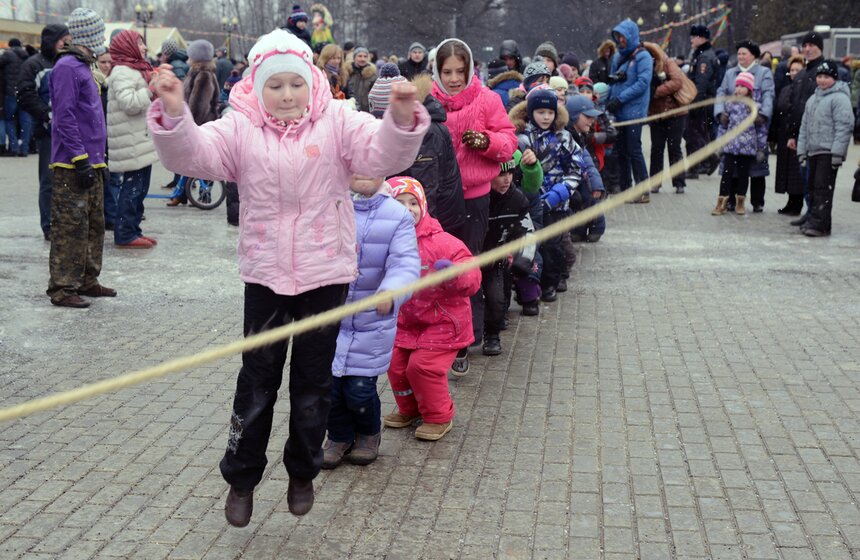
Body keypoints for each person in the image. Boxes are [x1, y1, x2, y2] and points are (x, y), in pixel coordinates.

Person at [147, 28, 429, 523]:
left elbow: (380, 155)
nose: (286, 95)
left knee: (313, 383)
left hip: (326, 275)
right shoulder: (240, 128)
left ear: (311, 82)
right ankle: (242, 478)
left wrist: (400, 120)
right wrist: (174, 113)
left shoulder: (338, 120)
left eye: (295, 84)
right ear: (257, 86)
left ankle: (303, 470)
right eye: (274, 86)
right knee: (256, 382)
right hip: (266, 277)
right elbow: (191, 155)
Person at [430, 38, 518, 375]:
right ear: (437, 71)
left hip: (474, 196)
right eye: (447, 71)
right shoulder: (429, 101)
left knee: (467, 267)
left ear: (470, 71)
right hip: (437, 199)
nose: (453, 78)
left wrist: (487, 141)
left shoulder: (487, 99)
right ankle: (439, 333)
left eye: (459, 71)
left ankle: (465, 338)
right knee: (437, 267)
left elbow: (508, 140)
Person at [322, 176, 420, 469]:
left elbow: (405, 263)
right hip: (330, 318)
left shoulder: (396, 214)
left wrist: (392, 292)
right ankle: (338, 436)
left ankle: (368, 433)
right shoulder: (328, 206)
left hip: (372, 321)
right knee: (329, 387)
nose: (363, 175)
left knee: (359, 389)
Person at [384, 177, 481, 441]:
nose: (407, 209)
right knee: (395, 365)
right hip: (406, 322)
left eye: (413, 203)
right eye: (399, 203)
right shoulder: (385, 242)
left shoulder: (444, 243)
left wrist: (455, 275)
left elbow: (472, 277)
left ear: (423, 205)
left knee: (422, 367)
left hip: (443, 322)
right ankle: (410, 408)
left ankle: (438, 416)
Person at [47, 8, 114, 308]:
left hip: (93, 161)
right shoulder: (67, 67)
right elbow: (65, 117)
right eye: (98, 34)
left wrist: (100, 160)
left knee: (93, 224)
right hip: (72, 163)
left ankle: (87, 278)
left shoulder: (85, 66)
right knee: (70, 226)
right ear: (89, 35)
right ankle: (62, 287)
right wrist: (80, 158)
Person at [511, 86, 586, 299]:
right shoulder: (521, 137)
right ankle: (527, 284)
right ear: (531, 112)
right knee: (530, 245)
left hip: (557, 202)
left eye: (550, 113)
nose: (546, 117)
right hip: (528, 201)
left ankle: (550, 283)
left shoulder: (563, 137)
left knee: (553, 245)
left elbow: (577, 168)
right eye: (541, 112)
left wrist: (560, 192)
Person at [390, 73, 465, 236]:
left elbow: (426, 187)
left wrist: (424, 230)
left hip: (436, 219)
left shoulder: (426, 131)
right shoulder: (419, 125)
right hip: (437, 213)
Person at [482, 150, 541, 356]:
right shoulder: (475, 198)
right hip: (471, 257)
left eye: (510, 173)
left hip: (498, 259)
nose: (506, 179)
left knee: (498, 299)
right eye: (500, 174)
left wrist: (523, 260)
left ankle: (492, 335)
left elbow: (529, 232)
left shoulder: (517, 199)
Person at [17, 24, 71, 239]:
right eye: (62, 39)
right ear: (51, 40)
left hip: (69, 130)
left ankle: (66, 220)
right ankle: (49, 225)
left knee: (68, 178)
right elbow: (25, 93)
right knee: (49, 179)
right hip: (47, 131)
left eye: (68, 38)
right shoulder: (34, 64)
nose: (65, 43)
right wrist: (47, 115)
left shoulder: (67, 61)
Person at [107, 30, 159, 248]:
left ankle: (133, 229)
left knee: (140, 189)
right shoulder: (122, 72)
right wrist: (149, 90)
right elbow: (129, 103)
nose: (145, 47)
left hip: (138, 139)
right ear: (127, 46)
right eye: (140, 43)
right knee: (132, 189)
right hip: (130, 141)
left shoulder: (134, 69)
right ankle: (126, 233)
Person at [714, 40, 775, 213]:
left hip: (753, 128)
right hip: (733, 127)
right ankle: (731, 200)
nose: (741, 57)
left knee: (756, 167)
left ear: (753, 56)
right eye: (739, 54)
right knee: (731, 168)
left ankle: (757, 201)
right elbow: (721, 93)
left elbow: (768, 95)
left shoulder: (763, 73)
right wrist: (721, 113)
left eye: (744, 54)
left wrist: (762, 115)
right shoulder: (731, 73)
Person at [795, 60, 854, 237]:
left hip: (828, 152)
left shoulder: (840, 98)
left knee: (823, 188)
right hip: (813, 150)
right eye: (819, 76)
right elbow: (804, 126)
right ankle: (815, 219)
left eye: (826, 77)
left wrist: (838, 152)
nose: (821, 80)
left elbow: (844, 126)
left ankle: (820, 224)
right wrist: (802, 150)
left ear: (834, 78)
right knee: (812, 187)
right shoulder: (813, 99)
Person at [166, 40, 220, 207]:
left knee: (198, 161)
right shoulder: (195, 71)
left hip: (200, 123)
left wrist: (190, 123)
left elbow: (199, 104)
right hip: (196, 121)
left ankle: (203, 196)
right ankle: (184, 194)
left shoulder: (203, 74)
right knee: (191, 161)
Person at [606, 19, 653, 204]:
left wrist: (620, 98)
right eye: (618, 36)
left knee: (634, 150)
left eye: (623, 36)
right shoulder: (618, 57)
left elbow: (642, 83)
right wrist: (608, 100)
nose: (620, 40)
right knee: (621, 151)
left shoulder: (643, 57)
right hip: (618, 112)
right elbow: (611, 81)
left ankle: (643, 189)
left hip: (633, 112)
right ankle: (626, 187)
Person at [711, 72, 767, 216]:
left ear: (749, 89)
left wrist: (761, 147)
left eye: (743, 86)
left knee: (743, 176)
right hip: (730, 146)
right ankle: (721, 202)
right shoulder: (730, 104)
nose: (739, 89)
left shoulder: (754, 107)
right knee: (726, 174)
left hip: (747, 148)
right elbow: (723, 127)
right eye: (737, 86)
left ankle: (740, 203)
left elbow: (761, 130)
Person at [786, 32, 827, 226]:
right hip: (801, 133)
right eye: (805, 45)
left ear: (820, 48)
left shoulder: (824, 71)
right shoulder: (802, 74)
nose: (808, 49)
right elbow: (794, 105)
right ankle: (809, 211)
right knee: (805, 177)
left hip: (818, 135)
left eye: (812, 45)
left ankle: (816, 215)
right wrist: (792, 134)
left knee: (816, 180)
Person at [644, 40, 689, 194]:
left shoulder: (668, 63)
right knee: (656, 149)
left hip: (674, 112)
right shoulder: (643, 67)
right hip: (656, 114)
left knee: (674, 147)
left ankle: (679, 182)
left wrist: (655, 92)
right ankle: (656, 182)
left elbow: (677, 82)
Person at [684, 25, 720, 179]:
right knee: (698, 134)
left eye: (694, 36)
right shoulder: (703, 54)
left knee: (694, 135)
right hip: (704, 100)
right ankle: (705, 162)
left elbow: (701, 84)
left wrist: (695, 103)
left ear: (702, 38)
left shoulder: (704, 57)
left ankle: (701, 164)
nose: (692, 39)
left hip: (701, 101)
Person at [773, 55, 806, 215]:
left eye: (797, 70)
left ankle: (797, 202)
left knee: (796, 172)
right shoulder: (786, 89)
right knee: (785, 171)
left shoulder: (805, 89)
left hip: (797, 134)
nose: (794, 73)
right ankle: (790, 201)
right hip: (784, 134)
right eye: (792, 70)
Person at [1, 38, 30, 156]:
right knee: (25, 122)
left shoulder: (7, 55)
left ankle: (14, 148)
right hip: (25, 93)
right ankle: (25, 149)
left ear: (10, 45)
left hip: (11, 92)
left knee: (10, 120)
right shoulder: (26, 56)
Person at [346, 46, 376, 112]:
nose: (363, 59)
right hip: (349, 111)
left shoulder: (373, 75)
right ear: (354, 58)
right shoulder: (347, 73)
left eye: (365, 56)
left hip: (367, 112)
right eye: (360, 56)